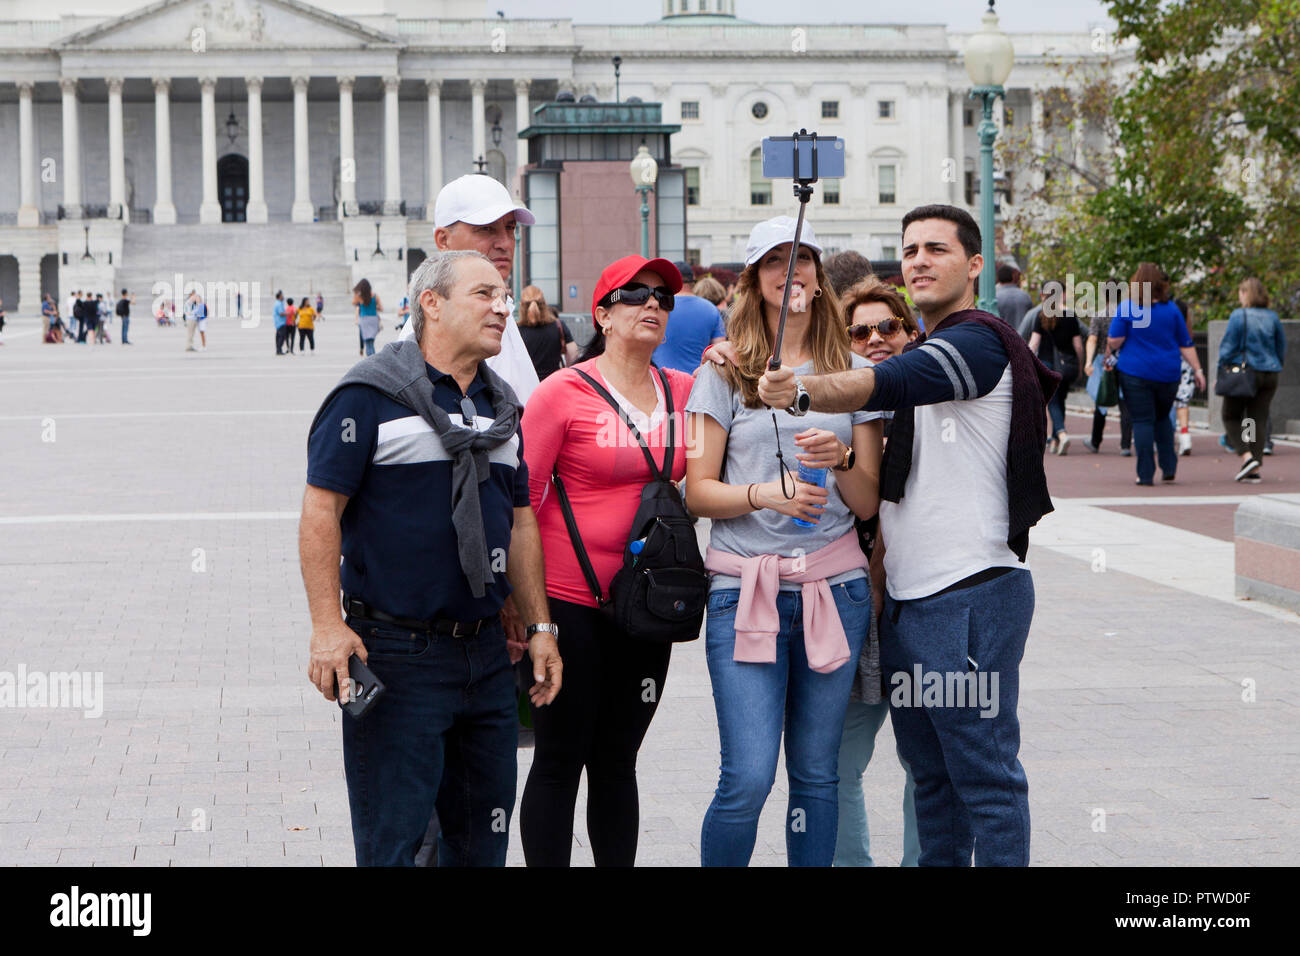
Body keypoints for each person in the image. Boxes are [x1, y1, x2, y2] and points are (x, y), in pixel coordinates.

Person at [757, 204, 1061, 867]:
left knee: (983, 774)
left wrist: (802, 392)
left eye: (937, 248)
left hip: (971, 594)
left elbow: (886, 378)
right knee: (932, 779)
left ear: (974, 265)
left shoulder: (976, 340)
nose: (919, 259)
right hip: (912, 601)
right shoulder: (930, 346)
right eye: (910, 249)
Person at [301, 249, 563, 867]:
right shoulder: (367, 396)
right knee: (392, 847)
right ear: (432, 304)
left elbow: (521, 522)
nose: (502, 306)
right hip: (395, 656)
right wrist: (324, 627)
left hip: (487, 658)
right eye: (485, 294)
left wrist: (540, 624)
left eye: (505, 295)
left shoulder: (502, 410)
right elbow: (320, 513)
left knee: (481, 847)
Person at [685, 216, 885, 867]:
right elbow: (695, 492)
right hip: (745, 589)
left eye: (802, 260)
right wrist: (762, 495)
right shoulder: (724, 369)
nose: (790, 271)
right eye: (774, 261)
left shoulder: (854, 374)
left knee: (817, 774)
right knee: (746, 776)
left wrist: (841, 460)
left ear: (819, 279)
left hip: (836, 589)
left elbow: (867, 501)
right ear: (753, 280)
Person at [518, 255, 693, 867]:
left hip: (646, 609)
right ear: (602, 314)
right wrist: (528, 615)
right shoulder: (560, 394)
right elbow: (523, 505)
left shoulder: (686, 391)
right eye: (635, 295)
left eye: (664, 298)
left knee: (619, 760)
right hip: (569, 606)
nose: (653, 304)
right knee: (561, 756)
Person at [835, 276, 921, 868]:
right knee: (838, 761)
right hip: (855, 607)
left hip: (923, 603)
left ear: (910, 333)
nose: (874, 339)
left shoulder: (939, 403)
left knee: (928, 762)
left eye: (887, 327)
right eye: (859, 331)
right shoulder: (836, 413)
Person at [397, 174, 541, 405]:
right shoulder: (435, 330)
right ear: (443, 240)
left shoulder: (501, 310)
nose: (504, 242)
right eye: (486, 229)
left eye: (510, 228)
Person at [1105, 263, 1205, 485]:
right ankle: (1169, 466)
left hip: (1135, 372)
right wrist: (1198, 369)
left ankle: (1145, 473)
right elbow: (1185, 343)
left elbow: (1114, 340)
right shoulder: (1172, 310)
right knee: (1162, 418)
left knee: (1142, 421)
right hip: (1168, 374)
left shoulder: (1128, 308)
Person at [1219, 277, 1287, 482]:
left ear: (1246, 294)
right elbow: (1280, 346)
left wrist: (1220, 372)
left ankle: (1246, 455)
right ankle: (1254, 466)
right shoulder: (1273, 317)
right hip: (1270, 373)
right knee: (1256, 418)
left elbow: (1228, 347)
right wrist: (1276, 365)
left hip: (1247, 372)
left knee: (1230, 415)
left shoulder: (1239, 316)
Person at [1028, 282, 1084, 455]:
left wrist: (1027, 363)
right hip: (1067, 366)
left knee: (1052, 402)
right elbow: (1078, 346)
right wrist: (1080, 366)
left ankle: (1061, 432)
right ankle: (1055, 440)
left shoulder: (1041, 315)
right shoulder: (1070, 315)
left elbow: (1034, 343)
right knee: (1060, 400)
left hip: (1047, 365)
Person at [650, 261, 727, 374]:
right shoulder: (711, 309)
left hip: (661, 383)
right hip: (697, 382)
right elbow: (720, 353)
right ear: (692, 281)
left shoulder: (660, 307)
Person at [1081, 285, 1132, 454]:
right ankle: (1125, 445)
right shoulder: (1128, 315)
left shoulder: (1099, 315)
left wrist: (1088, 361)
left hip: (1104, 362)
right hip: (1124, 360)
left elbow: (1092, 340)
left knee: (1101, 400)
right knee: (1125, 403)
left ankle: (1095, 441)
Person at [516, 285, 576, 381]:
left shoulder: (516, 331)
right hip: (554, 383)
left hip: (527, 386)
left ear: (521, 306)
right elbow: (573, 353)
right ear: (544, 304)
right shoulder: (558, 325)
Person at [995, 263, 1033, 330]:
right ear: (1013, 276)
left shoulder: (995, 298)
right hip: (1023, 338)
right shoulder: (1025, 296)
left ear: (998, 278)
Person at [354, 280, 381, 357]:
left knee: (368, 343)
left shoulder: (359, 297)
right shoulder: (375, 296)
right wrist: (374, 306)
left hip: (364, 320)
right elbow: (381, 308)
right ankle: (373, 360)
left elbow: (354, 303)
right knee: (371, 342)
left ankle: (371, 361)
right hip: (373, 319)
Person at [273, 290, 288, 355]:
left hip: (278, 322)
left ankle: (278, 350)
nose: (283, 297)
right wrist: (288, 313)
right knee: (282, 337)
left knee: (278, 337)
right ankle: (279, 350)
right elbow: (281, 313)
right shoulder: (279, 304)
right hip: (281, 322)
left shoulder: (277, 303)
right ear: (279, 297)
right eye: (282, 296)